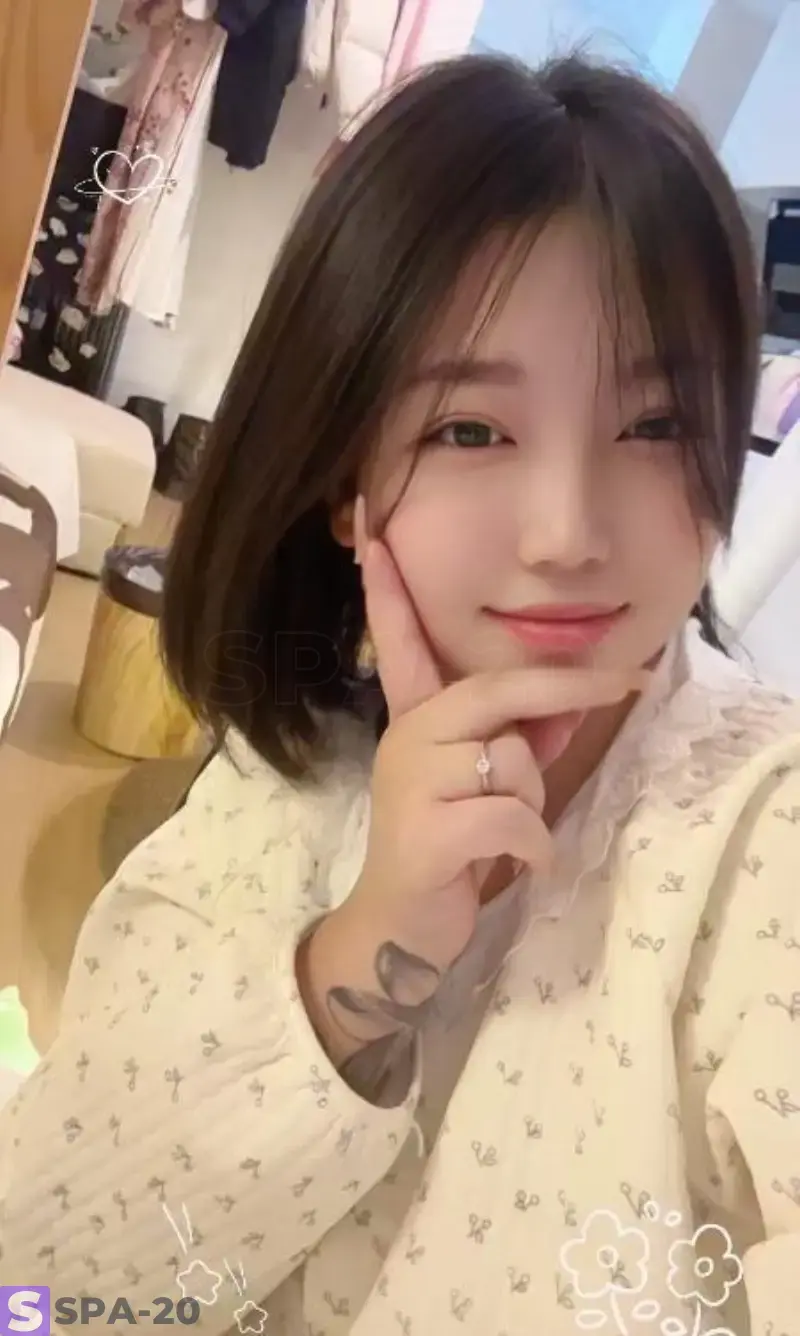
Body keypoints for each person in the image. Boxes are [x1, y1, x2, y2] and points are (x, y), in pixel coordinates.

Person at [1, 52, 799, 1336]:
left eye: (652, 426)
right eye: (469, 430)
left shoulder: (764, 834)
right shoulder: (282, 781)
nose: (565, 532)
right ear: (345, 480)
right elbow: (37, 1285)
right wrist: (363, 953)